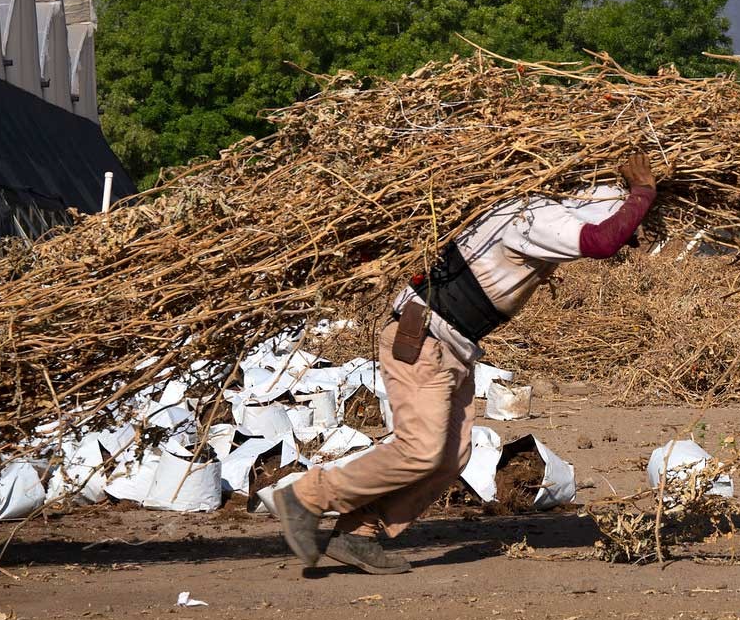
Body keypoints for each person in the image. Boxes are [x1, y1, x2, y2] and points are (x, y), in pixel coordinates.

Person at [276, 152, 658, 574]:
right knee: (420, 450)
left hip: (452, 344)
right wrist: (643, 192)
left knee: (449, 459)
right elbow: (602, 240)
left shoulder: (533, 211)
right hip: (425, 339)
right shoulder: (534, 215)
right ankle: (306, 497)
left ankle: (359, 533)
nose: (630, 231)